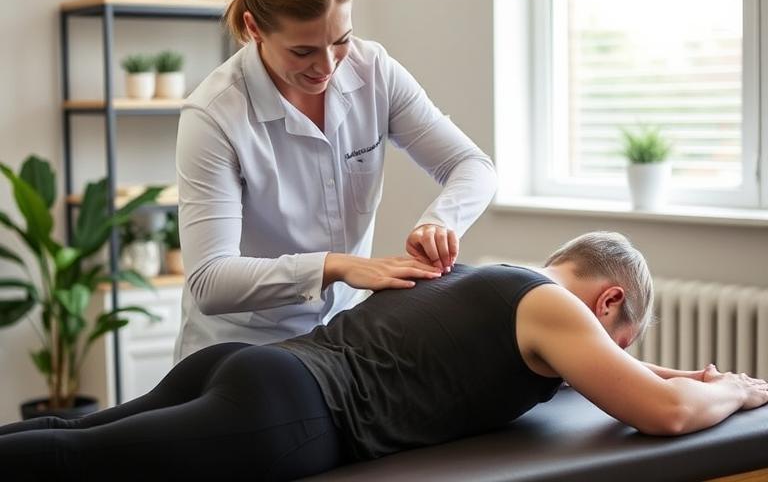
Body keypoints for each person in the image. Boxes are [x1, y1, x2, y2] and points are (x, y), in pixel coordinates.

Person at [2, 232, 766, 481]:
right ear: (605, 304)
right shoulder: (557, 315)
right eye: (617, 340)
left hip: (243, 366)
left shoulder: (485, 276)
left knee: (79, 433)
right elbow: (664, 414)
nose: (606, 355)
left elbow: (624, 375)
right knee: (79, 465)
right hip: (288, 410)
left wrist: (680, 372)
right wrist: (733, 389)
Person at [173, 0, 496, 360]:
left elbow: (473, 166)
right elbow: (210, 280)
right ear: (253, 29)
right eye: (303, 50)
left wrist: (441, 221)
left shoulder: (375, 71)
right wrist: (336, 267)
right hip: (237, 352)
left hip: (340, 341)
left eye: (340, 40)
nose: (327, 67)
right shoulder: (214, 115)